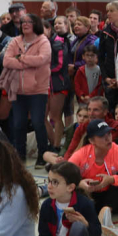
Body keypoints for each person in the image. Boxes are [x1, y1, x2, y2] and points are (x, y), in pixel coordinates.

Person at [2, 13, 52, 167]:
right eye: (23, 22)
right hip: (18, 90)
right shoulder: (15, 41)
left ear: (36, 24)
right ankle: (20, 154)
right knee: (19, 124)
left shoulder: (43, 41)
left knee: (38, 123)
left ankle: (42, 155)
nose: (25, 24)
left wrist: (20, 58)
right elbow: (6, 61)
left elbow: (41, 60)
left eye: (29, 22)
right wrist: (26, 62)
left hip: (38, 90)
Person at [70, 119, 118, 213]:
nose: (108, 138)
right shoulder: (82, 153)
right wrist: (80, 184)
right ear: (91, 140)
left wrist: (112, 179)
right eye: (102, 136)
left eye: (109, 134)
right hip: (89, 196)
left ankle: (106, 211)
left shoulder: (117, 150)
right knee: (73, 186)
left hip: (111, 199)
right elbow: (64, 175)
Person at [40, 161, 101, 236]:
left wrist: (85, 223)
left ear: (70, 187)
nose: (49, 186)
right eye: (49, 181)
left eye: (55, 182)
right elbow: (43, 233)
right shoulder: (46, 205)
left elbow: (97, 232)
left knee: (78, 226)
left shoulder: (85, 204)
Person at [47, 18, 73, 150]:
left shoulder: (59, 42)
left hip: (59, 83)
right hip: (48, 83)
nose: (57, 25)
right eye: (55, 23)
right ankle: (54, 142)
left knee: (56, 116)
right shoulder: (50, 41)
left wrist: (44, 69)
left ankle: (57, 145)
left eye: (60, 23)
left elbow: (59, 65)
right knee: (43, 117)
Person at [98, 1, 118, 107]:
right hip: (110, 77)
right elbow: (100, 57)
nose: (108, 14)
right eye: (107, 11)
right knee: (110, 107)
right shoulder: (105, 32)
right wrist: (105, 77)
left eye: (111, 11)